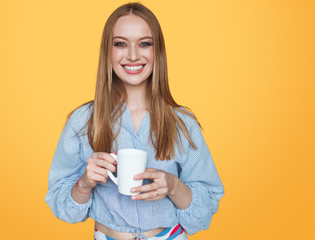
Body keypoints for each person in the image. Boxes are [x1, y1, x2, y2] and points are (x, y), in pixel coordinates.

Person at [45, 2, 224, 240]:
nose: (132, 55)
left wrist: (173, 186)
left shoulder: (182, 123)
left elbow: (205, 209)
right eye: (120, 44)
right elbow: (63, 207)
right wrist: (85, 183)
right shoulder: (83, 121)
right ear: (107, 52)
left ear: (156, 51)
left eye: (144, 43)